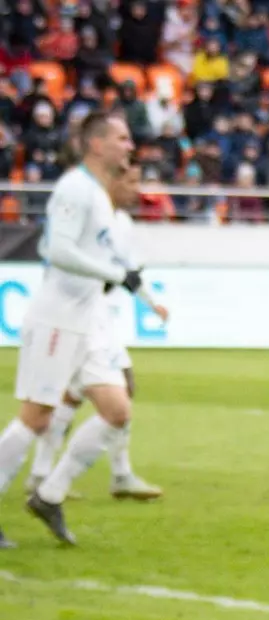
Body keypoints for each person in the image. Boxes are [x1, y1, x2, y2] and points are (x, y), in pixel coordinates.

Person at [0, 111, 139, 549]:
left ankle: (49, 495)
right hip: (57, 318)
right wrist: (114, 275)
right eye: (122, 138)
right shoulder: (74, 188)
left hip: (87, 320)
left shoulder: (97, 194)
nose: (130, 146)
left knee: (117, 410)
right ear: (96, 144)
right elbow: (57, 250)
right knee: (36, 417)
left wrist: (122, 275)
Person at [25, 162, 166, 505]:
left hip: (99, 312)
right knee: (82, 396)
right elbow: (61, 255)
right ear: (112, 181)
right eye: (131, 181)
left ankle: (49, 476)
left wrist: (151, 302)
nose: (136, 190)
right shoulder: (91, 211)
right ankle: (60, 479)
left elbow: (128, 271)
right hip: (80, 313)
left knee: (75, 395)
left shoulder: (123, 222)